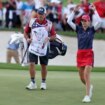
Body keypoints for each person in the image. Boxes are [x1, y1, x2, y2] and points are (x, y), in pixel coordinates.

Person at [67, 4, 101, 102]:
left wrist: (95, 11)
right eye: (82, 21)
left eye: (85, 21)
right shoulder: (78, 29)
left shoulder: (92, 30)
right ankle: (89, 87)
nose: (83, 22)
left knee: (86, 74)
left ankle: (87, 96)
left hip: (89, 54)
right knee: (81, 77)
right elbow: (69, 21)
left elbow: (99, 21)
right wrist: (73, 11)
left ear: (89, 21)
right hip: (80, 54)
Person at [24, 7, 56, 90]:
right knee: (31, 63)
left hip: (44, 47)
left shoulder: (49, 24)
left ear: (45, 14)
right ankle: (33, 82)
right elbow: (25, 32)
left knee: (43, 66)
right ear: (37, 14)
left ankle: (43, 82)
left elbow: (54, 36)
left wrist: (49, 38)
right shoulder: (32, 21)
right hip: (33, 46)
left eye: (42, 14)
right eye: (39, 13)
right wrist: (27, 39)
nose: (40, 15)